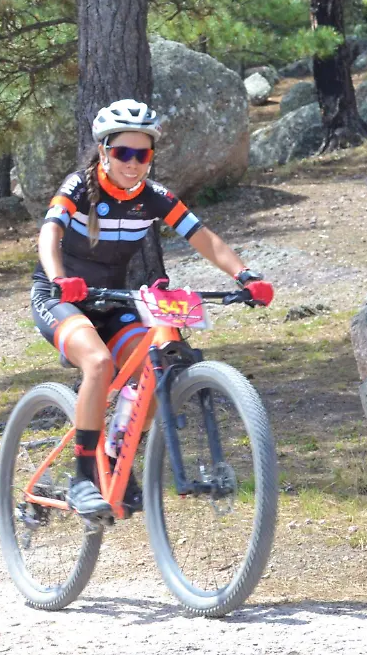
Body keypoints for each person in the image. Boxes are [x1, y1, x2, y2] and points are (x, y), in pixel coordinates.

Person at [31, 99, 274, 518]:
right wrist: (58, 277)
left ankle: (114, 453)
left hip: (112, 300)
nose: (132, 162)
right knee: (98, 362)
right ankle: (84, 478)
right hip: (59, 298)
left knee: (155, 366)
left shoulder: (153, 196)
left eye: (142, 154)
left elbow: (204, 239)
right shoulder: (77, 186)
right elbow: (49, 233)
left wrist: (246, 277)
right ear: (105, 152)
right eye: (123, 152)